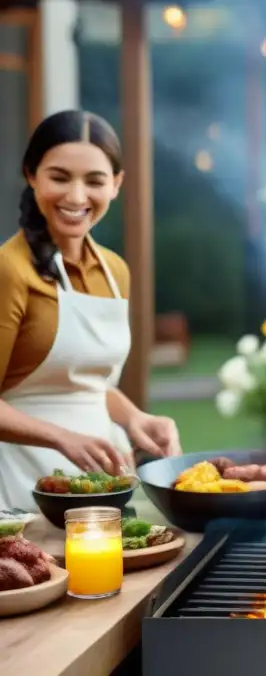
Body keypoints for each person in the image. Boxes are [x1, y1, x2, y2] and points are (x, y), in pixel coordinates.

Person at [0, 110, 181, 511]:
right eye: (60, 177)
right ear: (31, 175)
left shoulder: (115, 271)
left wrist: (134, 418)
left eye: (95, 181)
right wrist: (62, 437)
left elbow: (86, 384)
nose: (77, 197)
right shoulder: (9, 269)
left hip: (104, 486)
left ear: (116, 184)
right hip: (19, 489)